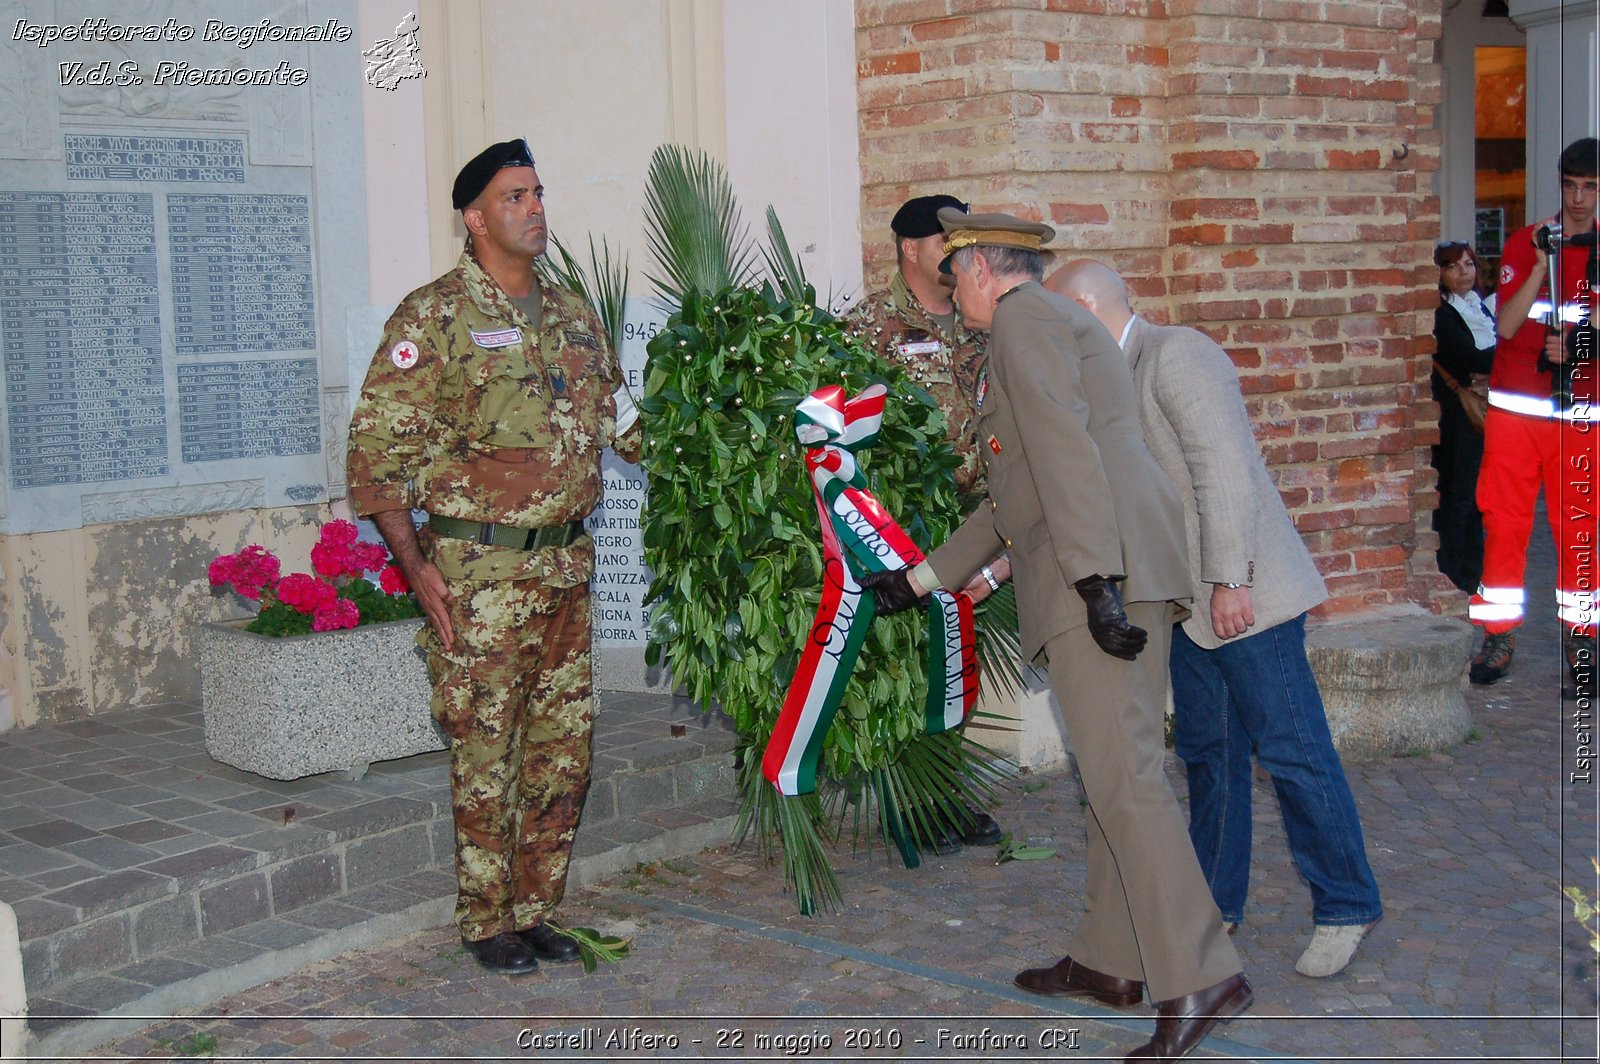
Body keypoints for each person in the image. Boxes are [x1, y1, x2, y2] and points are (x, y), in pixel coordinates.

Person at [865, 211, 1250, 1063]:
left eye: (955, 271)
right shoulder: (1054, 322)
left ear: (982, 272)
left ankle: (1200, 974)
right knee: (1118, 776)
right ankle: (1113, 961)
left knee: (1127, 785)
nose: (949, 286)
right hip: (1119, 567)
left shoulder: (1023, 323)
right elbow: (1025, 485)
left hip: (1100, 579)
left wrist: (1091, 584)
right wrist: (925, 578)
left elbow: (1068, 459)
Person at [346, 139, 641, 974]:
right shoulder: (433, 317)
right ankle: (485, 921)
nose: (534, 208)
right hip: (479, 577)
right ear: (474, 219)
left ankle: (538, 906)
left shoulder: (576, 313)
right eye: (515, 197)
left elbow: (620, 425)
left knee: (560, 751)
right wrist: (417, 567)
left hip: (564, 571)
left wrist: (715, 427)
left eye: (538, 192)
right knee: (486, 751)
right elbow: (376, 458)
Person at [1046, 260, 1383, 979]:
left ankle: (1346, 904)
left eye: (1057, 317)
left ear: (1082, 306)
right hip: (1184, 604)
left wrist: (1232, 578)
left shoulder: (1177, 353)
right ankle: (1215, 904)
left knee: (1292, 752)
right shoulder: (1101, 378)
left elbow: (1223, 470)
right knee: (1209, 759)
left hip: (1242, 596)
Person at [845, 193, 1003, 852]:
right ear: (910, 247)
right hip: (903, 524)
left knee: (957, 658)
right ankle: (911, 800)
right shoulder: (870, 325)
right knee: (910, 663)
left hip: (977, 520)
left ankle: (945, 792)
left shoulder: (979, 319)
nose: (958, 253)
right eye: (946, 241)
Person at [1469, 137, 1598, 693]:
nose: (1578, 198)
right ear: (1559, 186)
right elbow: (1506, 325)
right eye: (1571, 186)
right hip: (1516, 413)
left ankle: (1583, 646)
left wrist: (1580, 348)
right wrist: (1544, 265)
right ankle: (1498, 636)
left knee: (1580, 531)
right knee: (1503, 524)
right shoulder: (1526, 241)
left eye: (1590, 188)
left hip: (1582, 414)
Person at [1430, 240, 1496, 594]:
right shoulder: (1443, 314)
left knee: (1477, 497)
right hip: (1457, 414)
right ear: (1440, 273)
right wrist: (1505, 356)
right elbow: (1476, 359)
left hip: (1481, 409)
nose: (1464, 272)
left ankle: (1474, 572)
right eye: (1454, 266)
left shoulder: (1479, 309)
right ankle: (1454, 574)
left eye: (1468, 264)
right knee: (1457, 495)